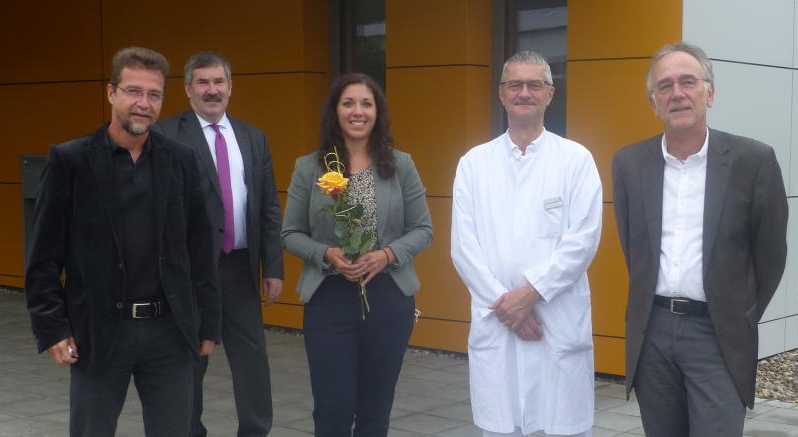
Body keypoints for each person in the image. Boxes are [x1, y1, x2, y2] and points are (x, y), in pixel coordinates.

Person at [24, 46, 221, 437]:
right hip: (98, 331)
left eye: (153, 94)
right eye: (133, 91)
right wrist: (52, 327)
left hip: (169, 331)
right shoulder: (70, 161)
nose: (143, 104)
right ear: (111, 93)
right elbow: (43, 257)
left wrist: (208, 324)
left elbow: (200, 248)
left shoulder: (181, 161)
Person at [611, 41, 788, 437]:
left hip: (717, 333)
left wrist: (737, 314)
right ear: (653, 101)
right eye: (665, 86)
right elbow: (633, 247)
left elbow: (771, 255)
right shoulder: (629, 163)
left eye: (688, 82)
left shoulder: (753, 161)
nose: (677, 93)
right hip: (652, 332)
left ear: (709, 92)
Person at [451, 50, 603, 437]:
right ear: (501, 94)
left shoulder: (576, 160)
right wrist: (507, 307)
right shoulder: (473, 163)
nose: (524, 93)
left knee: (561, 425)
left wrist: (529, 295)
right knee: (502, 427)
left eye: (534, 85)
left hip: (555, 323)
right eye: (514, 85)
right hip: (498, 323)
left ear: (550, 94)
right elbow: (463, 248)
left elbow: (582, 241)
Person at [281, 72, 433, 436]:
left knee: (375, 410)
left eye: (366, 103)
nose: (358, 111)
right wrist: (326, 253)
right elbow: (289, 233)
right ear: (335, 111)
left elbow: (424, 229)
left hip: (387, 296)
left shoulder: (401, 166)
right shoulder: (310, 167)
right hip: (329, 297)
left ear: (377, 112)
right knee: (332, 409)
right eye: (348, 103)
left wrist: (387, 255)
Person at [153, 51, 283, 437]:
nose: (212, 90)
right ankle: (189, 431)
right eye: (203, 82)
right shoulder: (166, 134)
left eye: (219, 82)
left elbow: (268, 207)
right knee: (191, 359)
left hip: (240, 266)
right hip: (191, 271)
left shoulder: (252, 136)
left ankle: (256, 431)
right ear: (188, 89)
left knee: (253, 359)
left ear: (230, 87)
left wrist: (272, 267)